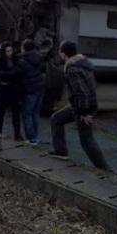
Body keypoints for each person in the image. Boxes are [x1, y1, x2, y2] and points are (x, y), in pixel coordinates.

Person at [49, 40, 110, 170]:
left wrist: (84, 113)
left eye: (60, 50)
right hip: (81, 105)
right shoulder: (83, 64)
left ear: (64, 53)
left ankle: (104, 169)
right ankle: (61, 151)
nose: (59, 53)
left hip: (83, 108)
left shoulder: (73, 69)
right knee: (56, 119)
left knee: (87, 140)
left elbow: (81, 92)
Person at [15, 39, 46, 145]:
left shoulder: (22, 60)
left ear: (23, 48)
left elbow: (17, 75)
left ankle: (31, 138)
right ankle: (35, 136)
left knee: (27, 113)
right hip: (40, 87)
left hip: (29, 89)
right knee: (35, 113)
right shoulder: (38, 57)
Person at [0, 41, 23, 141]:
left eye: (10, 50)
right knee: (0, 111)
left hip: (13, 87)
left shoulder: (16, 58)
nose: (9, 53)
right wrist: (6, 74)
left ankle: (17, 134)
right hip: (2, 87)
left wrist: (3, 73)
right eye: (7, 51)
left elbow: (17, 71)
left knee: (16, 112)